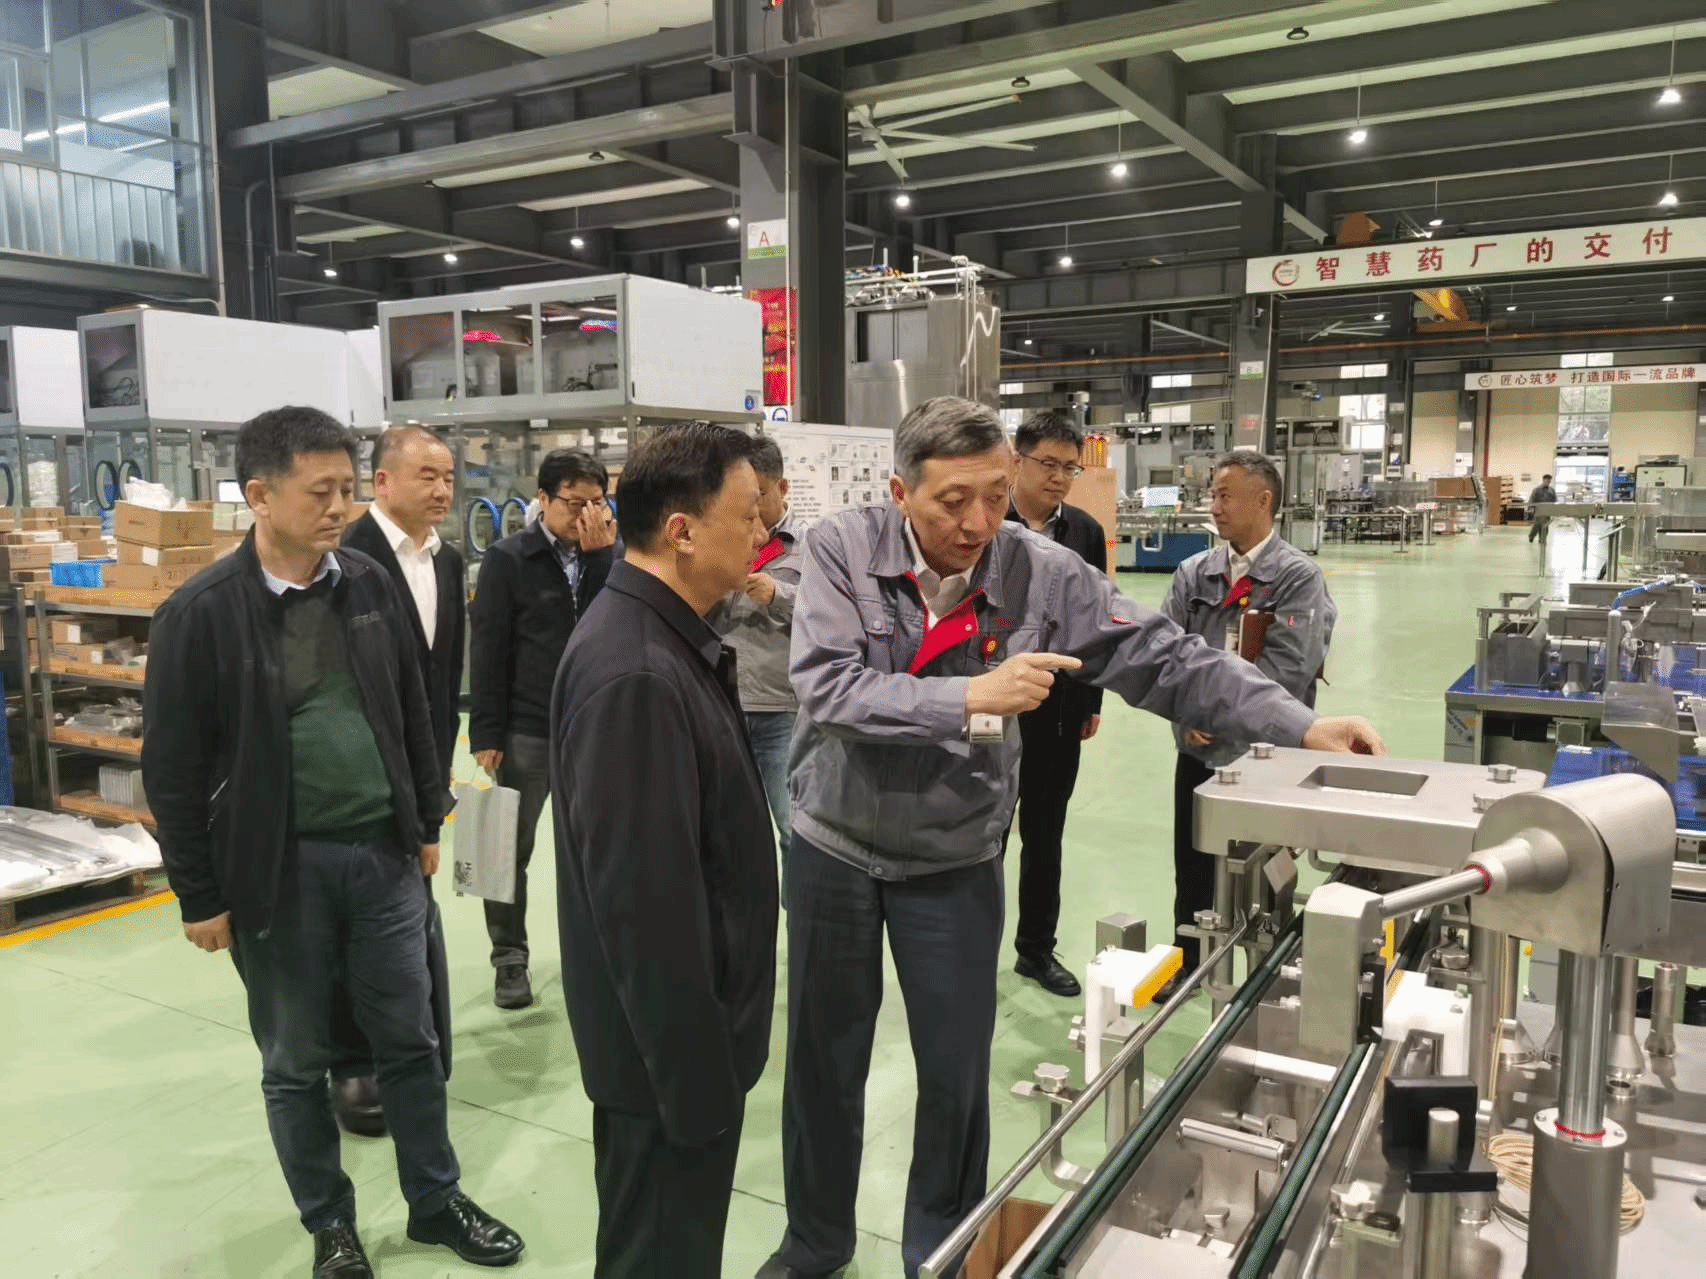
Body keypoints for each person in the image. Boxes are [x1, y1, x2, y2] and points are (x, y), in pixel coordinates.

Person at [762, 397, 1382, 1279]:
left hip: (953, 856)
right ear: (900, 492)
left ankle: (940, 1251)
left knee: (954, 1075)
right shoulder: (840, 548)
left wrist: (1299, 723)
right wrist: (968, 696)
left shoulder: (1041, 573)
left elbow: (1167, 657)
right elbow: (828, 686)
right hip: (834, 843)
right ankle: (814, 1243)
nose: (978, 522)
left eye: (994, 494)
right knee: (824, 1061)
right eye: (951, 501)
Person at [142, 406, 523, 1279]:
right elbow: (172, 769)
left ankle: (435, 1200)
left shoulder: (367, 584)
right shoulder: (200, 614)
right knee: (295, 1062)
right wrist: (198, 893)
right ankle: (332, 1225)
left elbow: (411, 706)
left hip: (382, 859)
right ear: (258, 496)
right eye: (320, 491)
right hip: (277, 875)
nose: (339, 507)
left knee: (412, 1042)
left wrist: (423, 818)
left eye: (348, 489)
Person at [551, 424, 778, 1279]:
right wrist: (697, 1088)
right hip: (669, 1068)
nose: (761, 531)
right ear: (682, 530)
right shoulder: (639, 671)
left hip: (677, 1055)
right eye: (747, 514)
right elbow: (646, 912)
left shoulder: (660, 636)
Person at [325, 426, 466, 1138]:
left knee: (410, 917)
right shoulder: (344, 559)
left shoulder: (448, 561)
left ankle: (413, 1045)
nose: (442, 490)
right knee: (355, 923)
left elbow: (442, 678)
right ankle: (353, 1060)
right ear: (382, 482)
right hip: (359, 778)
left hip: (424, 767)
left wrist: (436, 773)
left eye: (448, 477)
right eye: (426, 476)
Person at [1159, 451, 1336, 998]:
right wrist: (1184, 716)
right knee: (1192, 864)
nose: (1214, 507)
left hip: (1266, 759)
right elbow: (1164, 653)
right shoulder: (1194, 573)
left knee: (1265, 869)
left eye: (1224, 496)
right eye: (1212, 495)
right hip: (1199, 752)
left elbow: (1289, 670)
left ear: (1263, 501)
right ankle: (1189, 962)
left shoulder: (1297, 578)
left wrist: (1211, 711)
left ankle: (1268, 970)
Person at [469, 448, 616, 1009]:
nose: (586, 514)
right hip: (527, 730)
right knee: (505, 848)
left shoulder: (612, 556)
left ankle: (597, 954)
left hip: (592, 728)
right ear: (544, 500)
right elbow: (488, 648)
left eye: (597, 503)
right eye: (574, 503)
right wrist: (486, 732)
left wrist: (602, 559)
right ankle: (509, 958)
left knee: (595, 849)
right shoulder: (510, 559)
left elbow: (612, 624)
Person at [1002, 409, 1106, 998]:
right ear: (1016, 461)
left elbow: (1097, 621)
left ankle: (1035, 950)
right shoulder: (988, 521)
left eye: (1070, 468)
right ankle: (971, 946)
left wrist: (1091, 698)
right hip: (993, 704)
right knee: (986, 834)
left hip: (1059, 705)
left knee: (1045, 834)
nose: (1060, 477)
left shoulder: (1084, 532)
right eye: (1048, 464)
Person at [708, 434, 803, 864]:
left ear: (782, 487)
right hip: (724, 703)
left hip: (781, 707)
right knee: (730, 830)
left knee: (793, 828)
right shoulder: (723, 536)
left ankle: (797, 905)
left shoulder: (811, 544)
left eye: (759, 493)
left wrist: (778, 594)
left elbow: (830, 613)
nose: (752, 502)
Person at [1528, 473, 1557, 544]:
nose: (1548, 482)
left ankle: (1542, 539)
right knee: (1537, 524)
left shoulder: (1552, 490)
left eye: (1549, 481)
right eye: (1547, 481)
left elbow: (1555, 500)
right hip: (1539, 510)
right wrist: (1531, 508)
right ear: (1543, 480)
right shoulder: (1536, 490)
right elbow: (1531, 499)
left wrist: (1555, 509)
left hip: (1547, 510)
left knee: (1545, 525)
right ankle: (1531, 536)